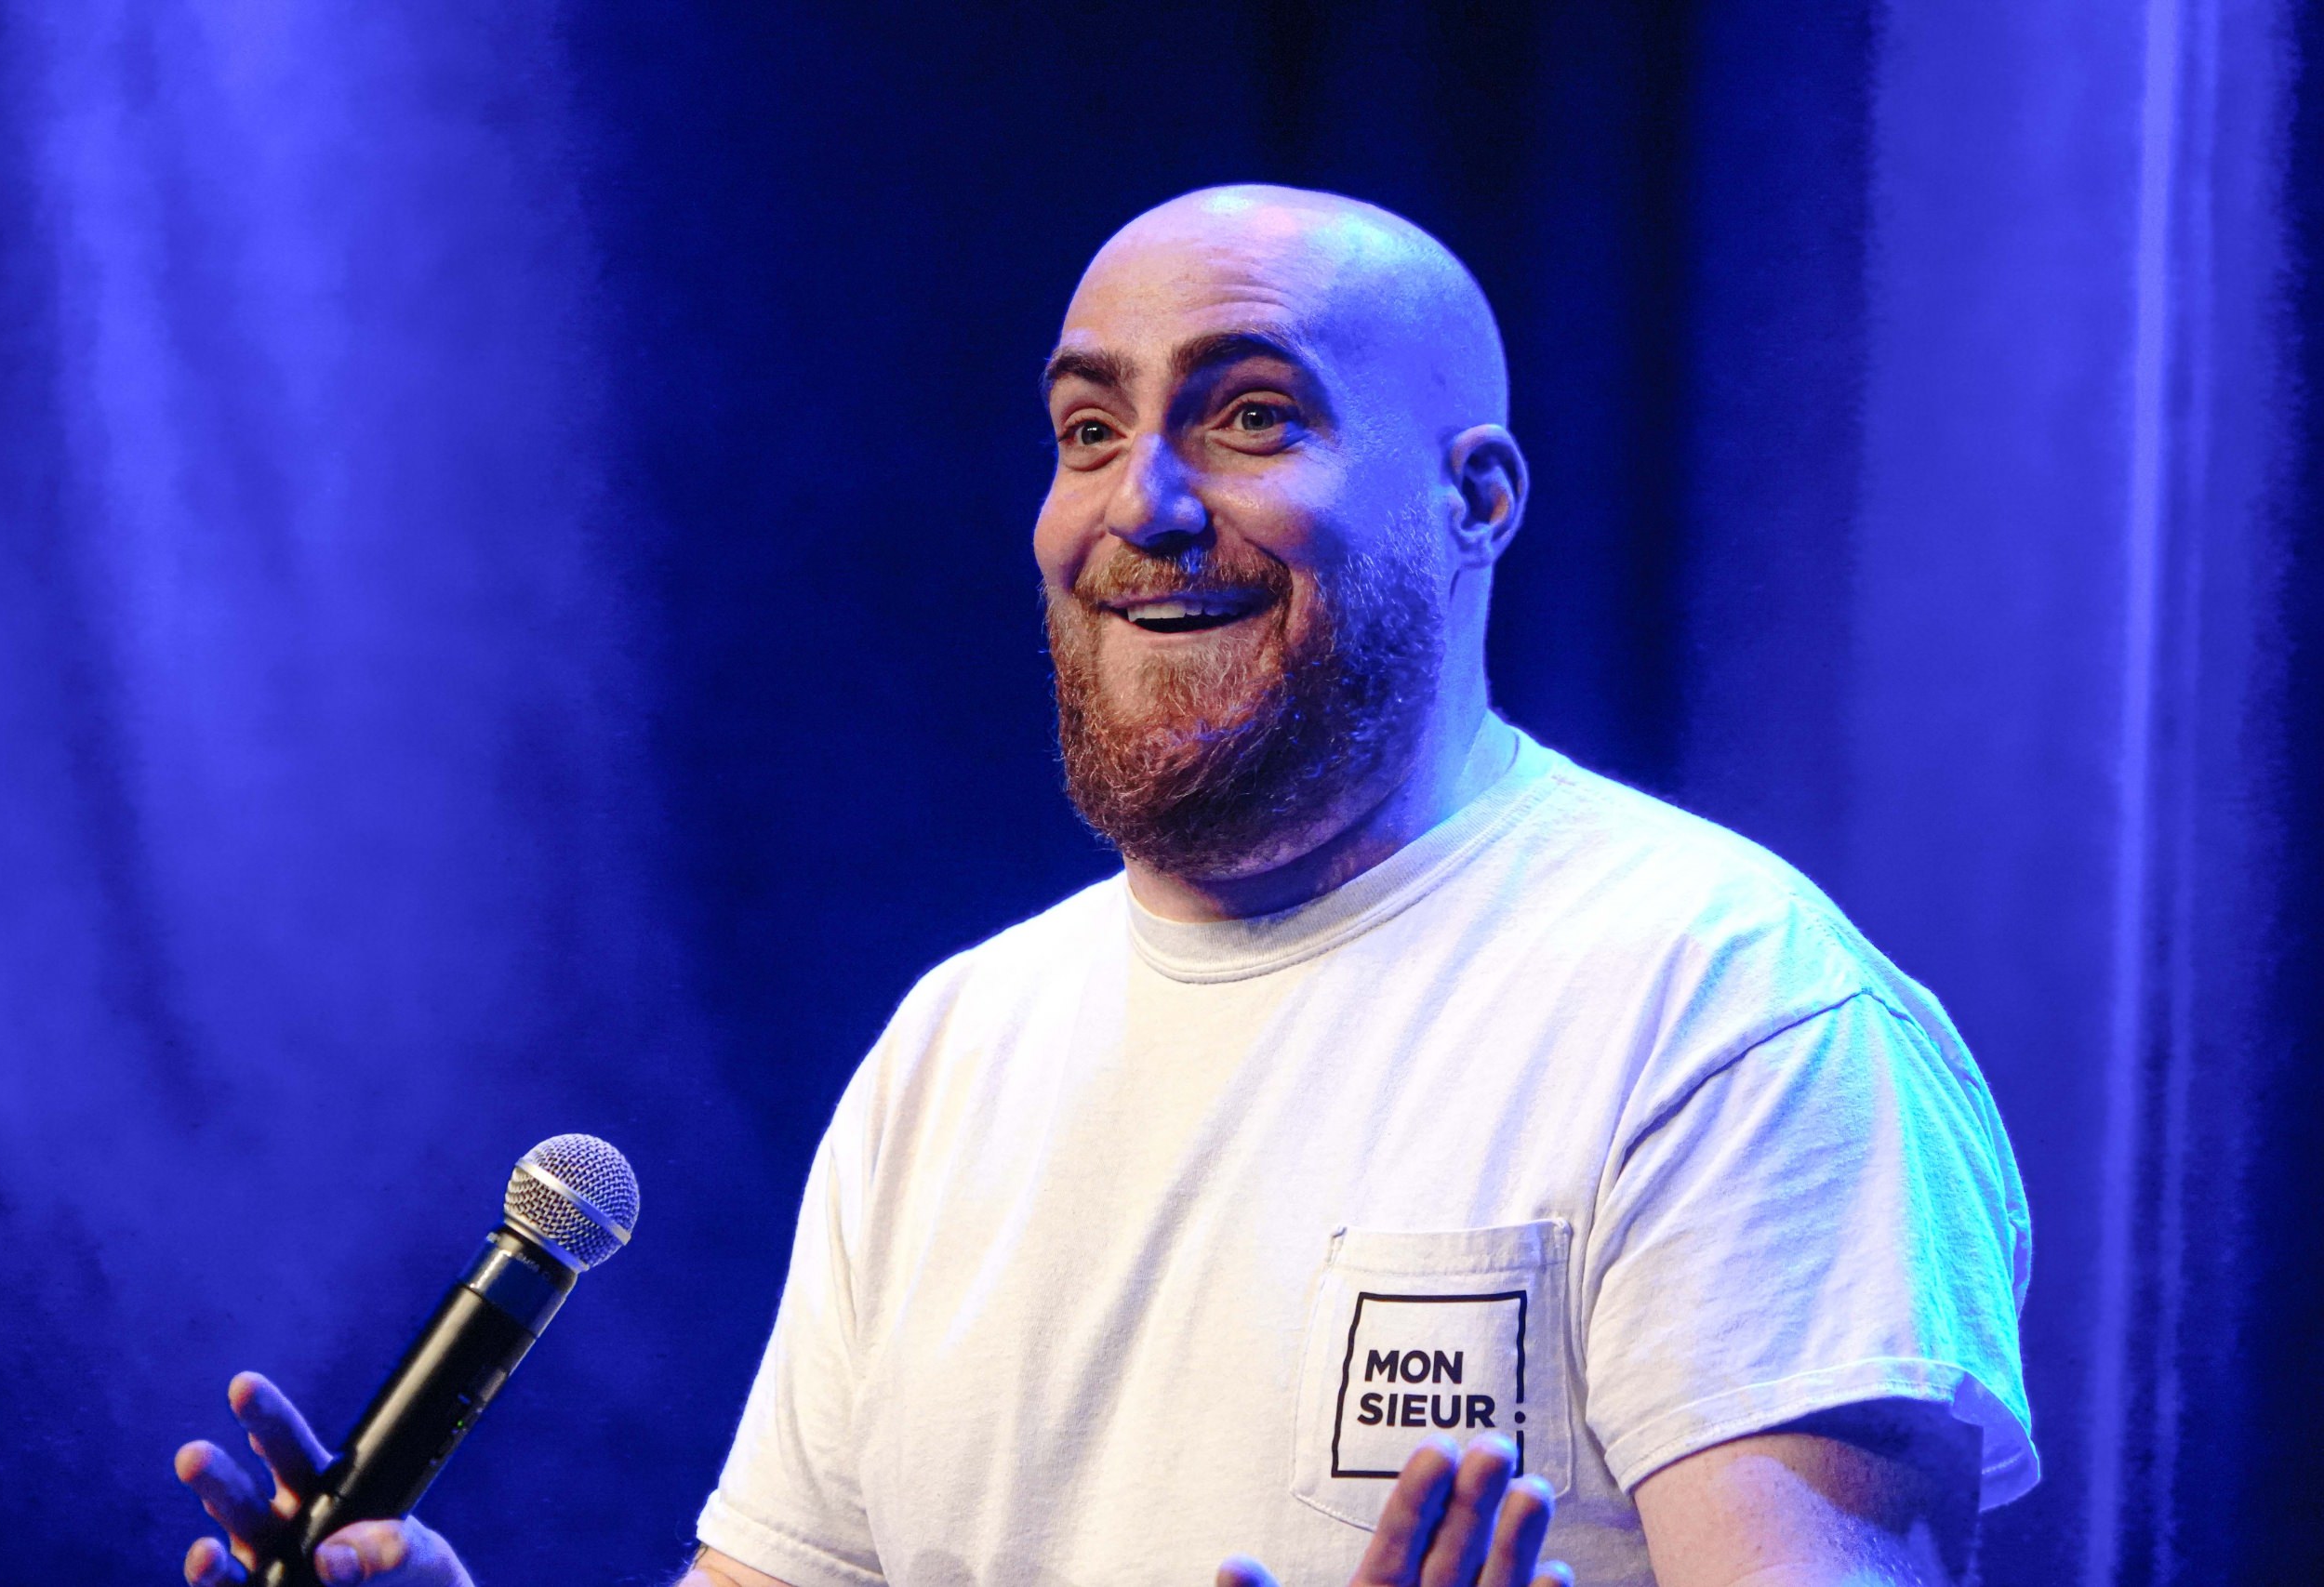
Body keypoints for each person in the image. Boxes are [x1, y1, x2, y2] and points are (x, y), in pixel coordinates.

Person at [177, 185, 2035, 1587]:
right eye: (1086, 428)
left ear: (1474, 502)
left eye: (1249, 415)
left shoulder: (1728, 1007)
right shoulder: (956, 1048)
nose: (1139, 503)